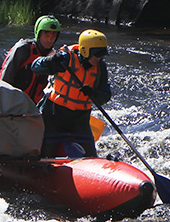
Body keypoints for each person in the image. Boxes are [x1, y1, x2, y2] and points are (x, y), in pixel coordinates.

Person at [31, 29, 112, 157]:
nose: (100, 58)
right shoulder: (65, 58)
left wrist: (93, 93)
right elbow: (35, 67)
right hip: (55, 115)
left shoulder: (100, 67)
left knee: (90, 155)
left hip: (80, 119)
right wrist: (51, 60)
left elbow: (106, 95)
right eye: (97, 54)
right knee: (46, 153)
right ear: (86, 51)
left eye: (102, 54)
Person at [0, 15, 62, 104]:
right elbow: (6, 77)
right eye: (46, 34)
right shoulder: (23, 49)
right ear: (38, 34)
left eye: (54, 35)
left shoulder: (54, 57)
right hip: (12, 103)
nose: (50, 39)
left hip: (33, 107)